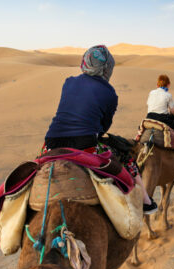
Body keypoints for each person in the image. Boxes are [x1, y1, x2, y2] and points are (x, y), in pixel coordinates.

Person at [44, 45, 158, 214]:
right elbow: (104, 127)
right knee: (127, 159)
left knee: (37, 166)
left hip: (52, 143)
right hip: (85, 145)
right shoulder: (109, 93)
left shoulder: (68, 82)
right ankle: (145, 202)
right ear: (107, 69)